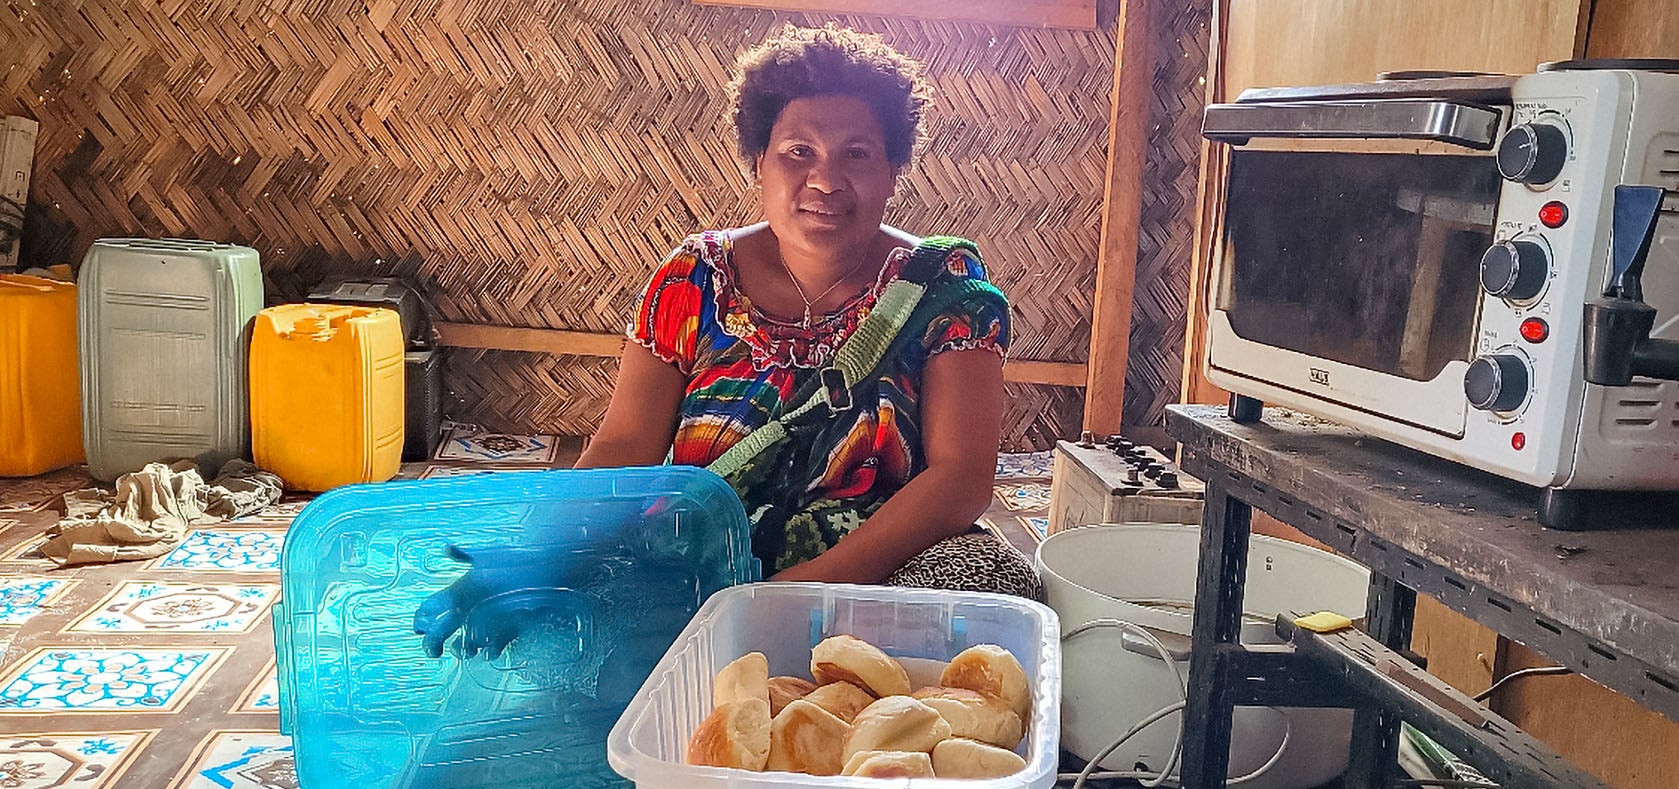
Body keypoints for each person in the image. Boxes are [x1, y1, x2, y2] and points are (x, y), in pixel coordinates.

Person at [574, 23, 1039, 599]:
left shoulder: (942, 292)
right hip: (707, 560)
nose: (825, 179)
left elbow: (961, 481)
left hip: (881, 573)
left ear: (893, 171)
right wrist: (541, 556)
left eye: (857, 154)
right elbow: (624, 446)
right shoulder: (693, 282)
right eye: (799, 152)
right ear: (758, 163)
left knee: (993, 580)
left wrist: (795, 594)